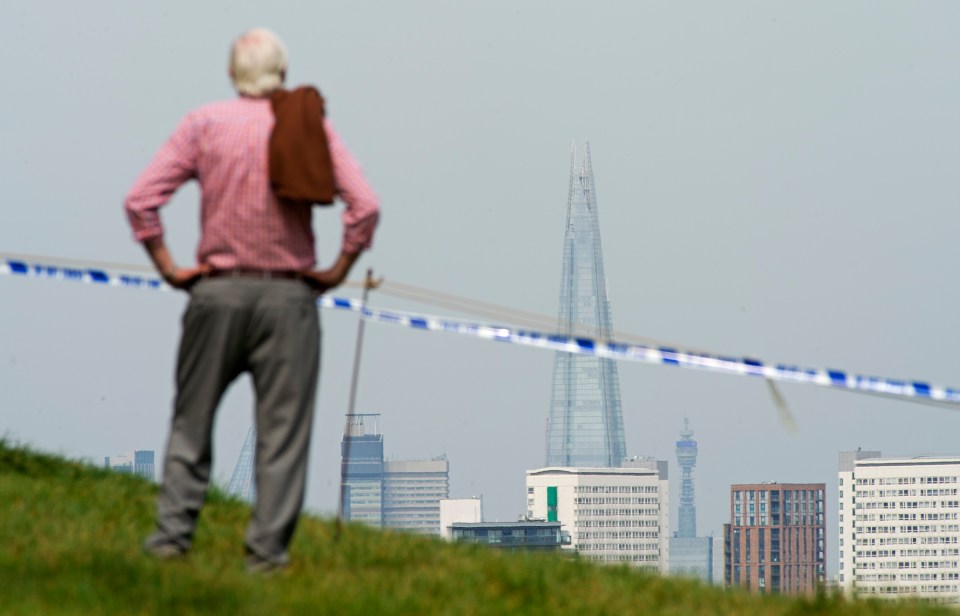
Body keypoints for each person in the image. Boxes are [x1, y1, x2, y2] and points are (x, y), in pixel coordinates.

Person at [124, 27, 380, 572]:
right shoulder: (310, 125)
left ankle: (172, 539)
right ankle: (266, 558)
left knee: (191, 420)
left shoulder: (202, 123)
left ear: (231, 75)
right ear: (283, 74)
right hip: (290, 299)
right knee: (283, 434)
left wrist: (169, 267)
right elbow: (365, 206)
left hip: (215, 293)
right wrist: (337, 269)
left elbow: (140, 200)